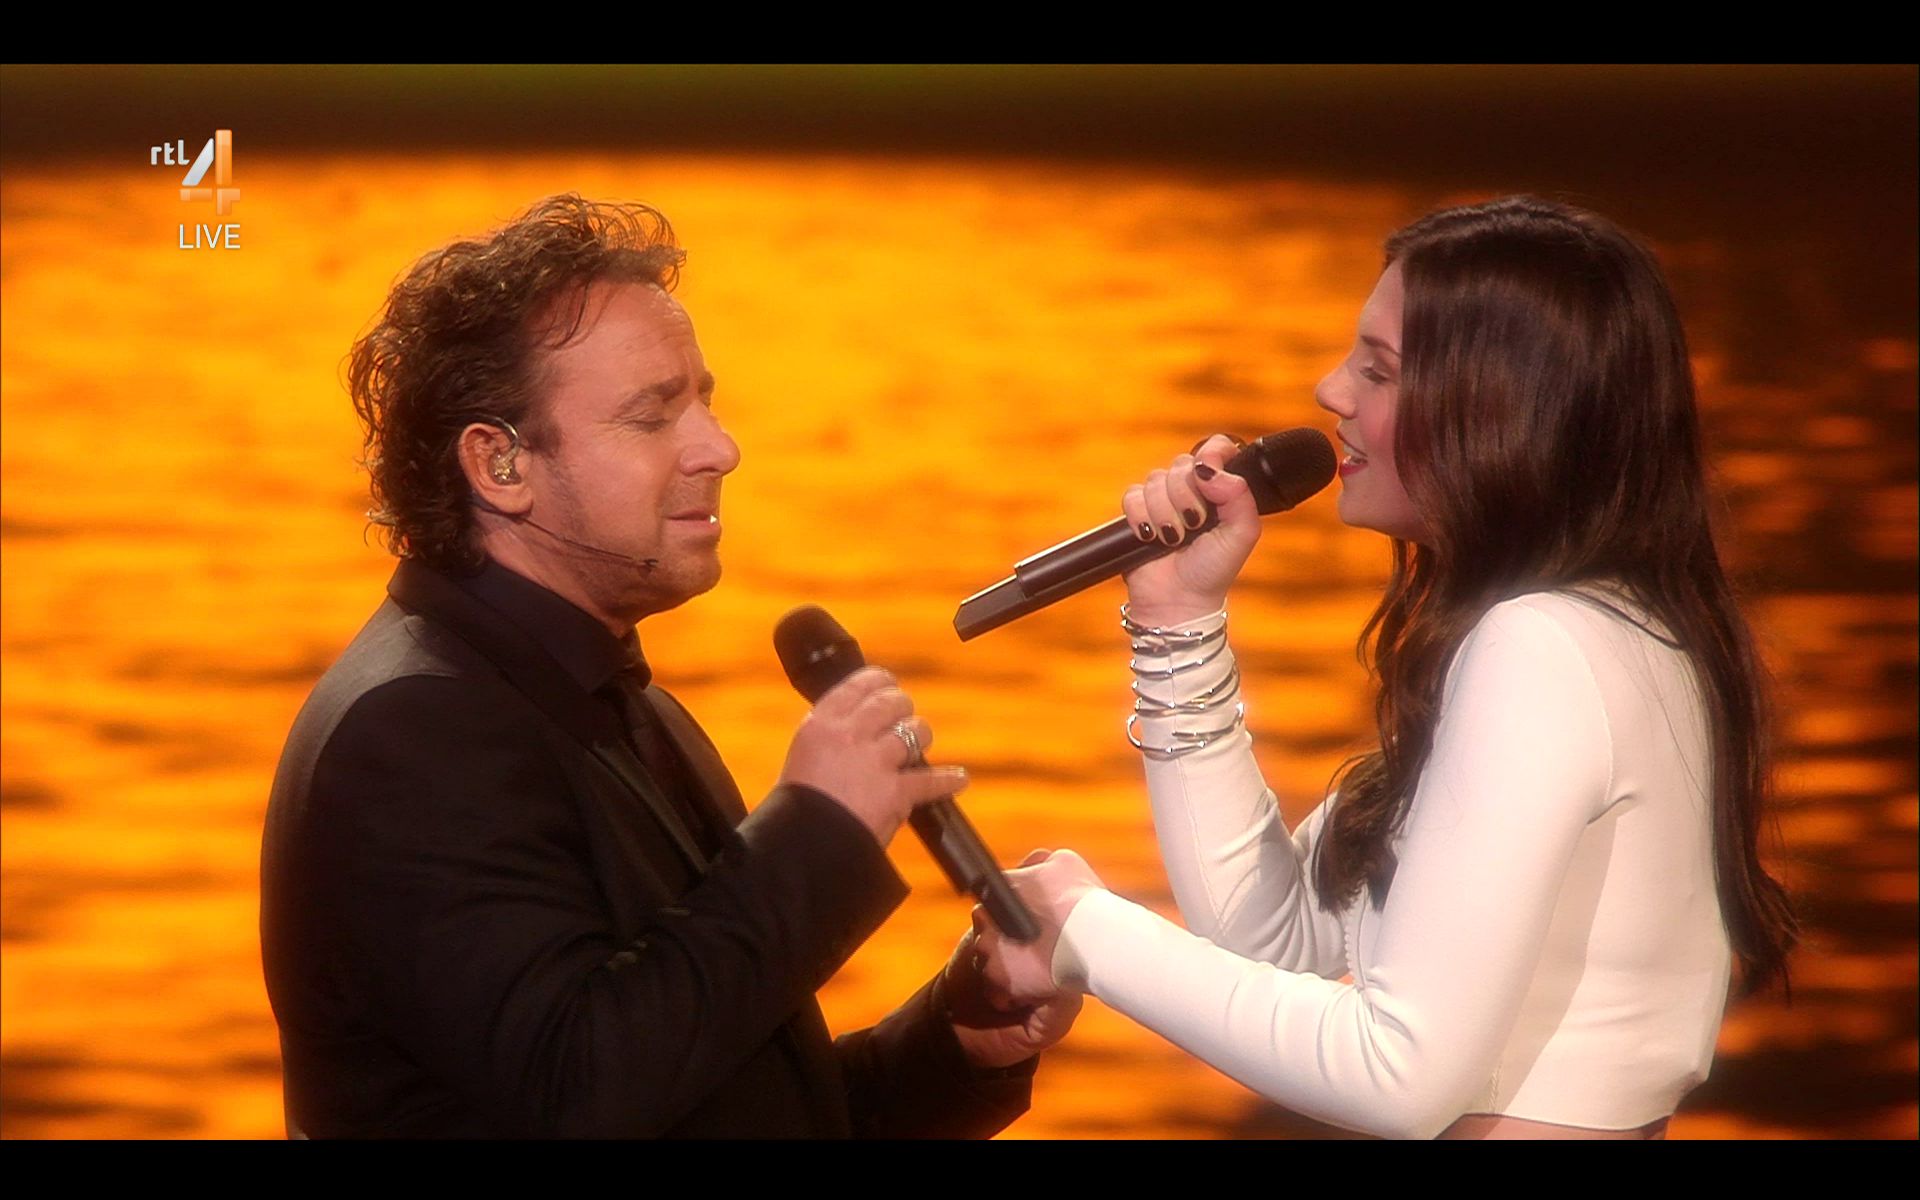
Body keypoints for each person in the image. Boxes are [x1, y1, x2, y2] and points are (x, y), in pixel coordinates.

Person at [974, 195, 1797, 1139]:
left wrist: (1082, 929)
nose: (1330, 391)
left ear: (1498, 406)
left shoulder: (1545, 649)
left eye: (1379, 369)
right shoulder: (1619, 629)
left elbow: (1397, 1076)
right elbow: (1274, 940)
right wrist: (1177, 622)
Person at [259, 194, 1079, 1138]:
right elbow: (578, 1091)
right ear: (500, 466)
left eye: (704, 401)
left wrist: (960, 1039)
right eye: (652, 416)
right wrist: (816, 832)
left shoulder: (625, 710)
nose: (719, 448)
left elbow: (731, 1106)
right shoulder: (413, 731)